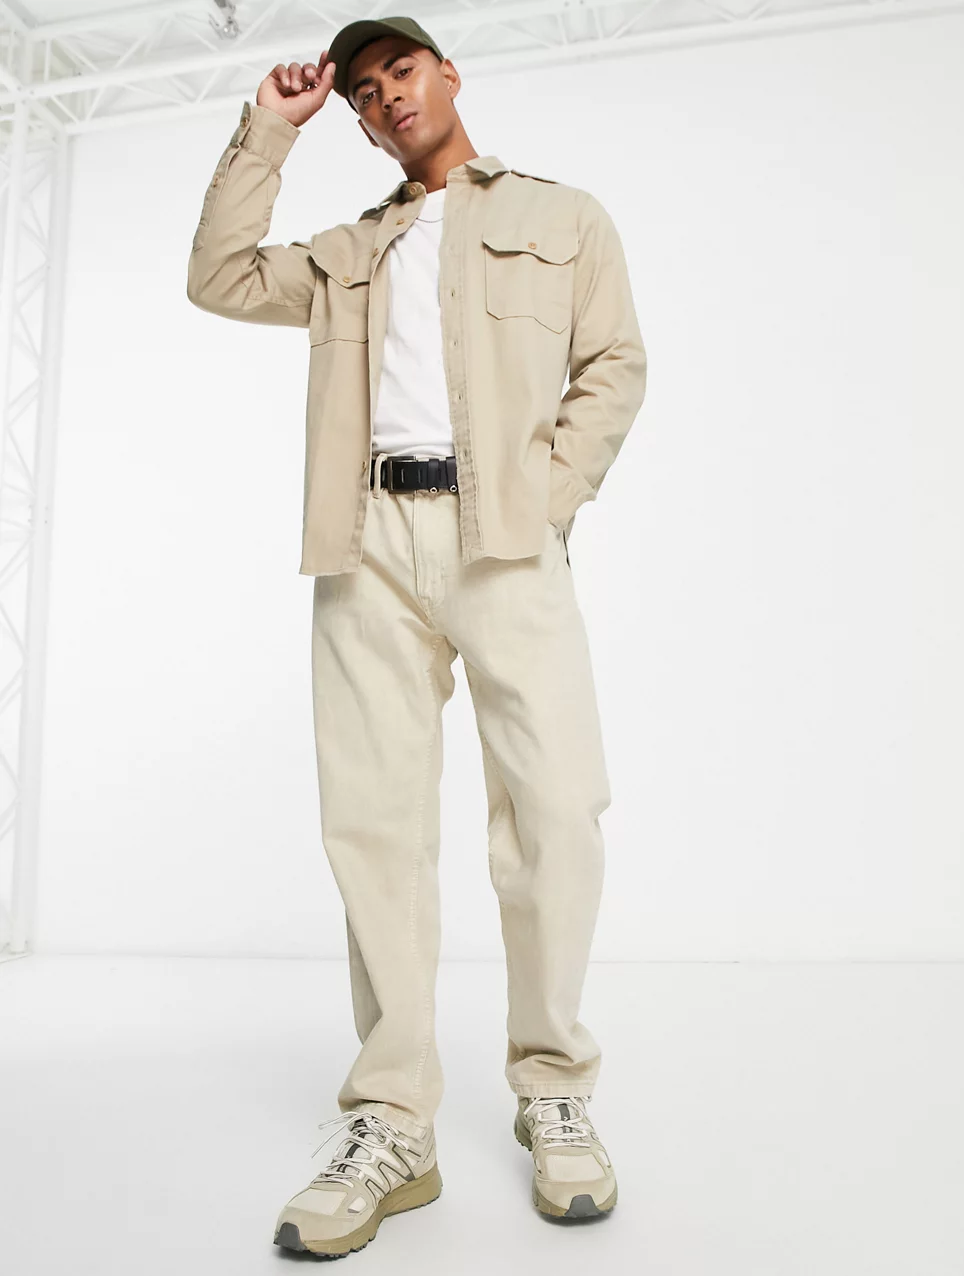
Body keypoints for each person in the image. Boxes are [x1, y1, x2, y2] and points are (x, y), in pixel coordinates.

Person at [187, 14, 646, 1260]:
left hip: (508, 536)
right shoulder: (347, 251)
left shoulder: (564, 217)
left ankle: (554, 1089)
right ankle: (393, 1121)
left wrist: (544, 500)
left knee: (555, 811)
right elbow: (217, 276)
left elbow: (614, 364)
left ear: (446, 74)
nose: (385, 95)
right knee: (375, 828)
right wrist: (266, 132)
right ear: (354, 121)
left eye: (400, 70)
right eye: (362, 91)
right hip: (367, 545)